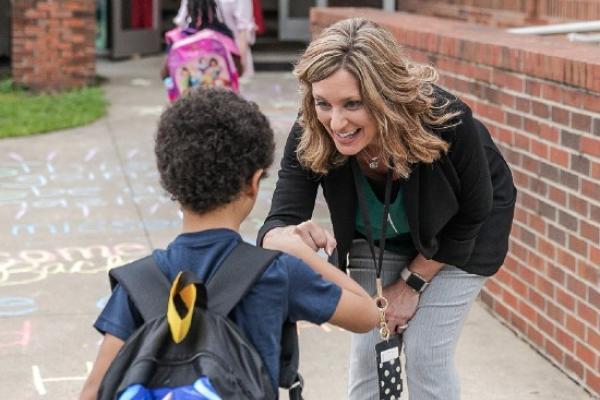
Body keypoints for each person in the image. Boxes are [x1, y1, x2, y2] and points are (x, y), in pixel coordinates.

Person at [257, 18, 517, 400]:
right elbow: (279, 218)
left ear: (385, 96)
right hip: (375, 240)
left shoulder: (446, 122)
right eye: (323, 103)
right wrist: (285, 238)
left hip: (458, 237)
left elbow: (475, 211)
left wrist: (411, 284)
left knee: (427, 353)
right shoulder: (313, 130)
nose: (337, 121)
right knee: (368, 349)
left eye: (353, 104)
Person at [79, 88, 380, 399]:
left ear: (169, 180)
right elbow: (368, 314)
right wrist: (298, 251)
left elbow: (93, 391)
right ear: (253, 182)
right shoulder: (276, 273)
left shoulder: (139, 283)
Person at [161, 0, 242, 82]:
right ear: (214, 7)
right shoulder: (224, 35)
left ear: (188, 9)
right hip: (220, 93)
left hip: (190, 94)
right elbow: (239, 70)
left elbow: (165, 73)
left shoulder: (178, 38)